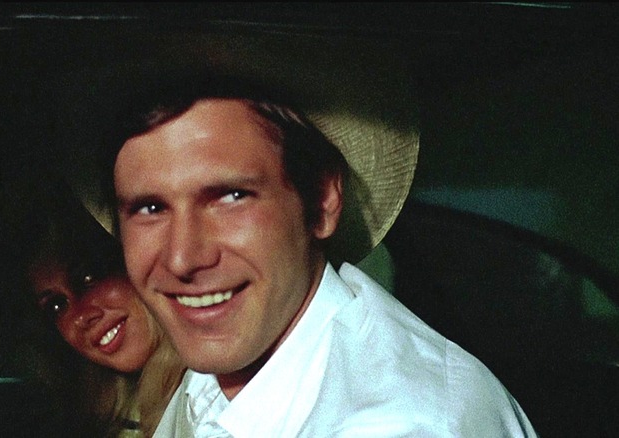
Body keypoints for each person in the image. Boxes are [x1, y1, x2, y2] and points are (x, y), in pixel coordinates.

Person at [85, 70, 538, 437]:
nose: (182, 258)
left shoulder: (402, 424)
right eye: (149, 207)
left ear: (322, 201)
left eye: (230, 197)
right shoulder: (233, 360)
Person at [20, 180, 183, 437]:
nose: (82, 316)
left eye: (88, 278)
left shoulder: (219, 395)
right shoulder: (98, 420)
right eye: (56, 305)